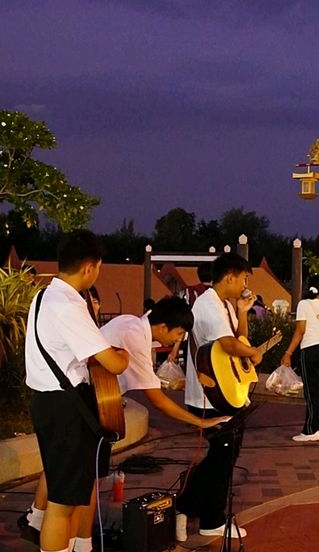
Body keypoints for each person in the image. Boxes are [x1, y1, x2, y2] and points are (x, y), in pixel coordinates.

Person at [20, 296, 229, 551]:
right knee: (82, 486)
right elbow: (158, 400)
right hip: (90, 408)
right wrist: (202, 422)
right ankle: (72, 540)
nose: (179, 340)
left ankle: (44, 522)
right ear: (163, 326)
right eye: (179, 333)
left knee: (75, 476)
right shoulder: (134, 336)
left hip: (89, 404)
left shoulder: (130, 324)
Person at [23, 230, 130, 552]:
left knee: (70, 494)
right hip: (64, 407)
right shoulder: (68, 304)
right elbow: (113, 363)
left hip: (52, 401)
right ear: (88, 267)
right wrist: (123, 355)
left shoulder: (44, 295)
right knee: (63, 501)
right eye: (98, 267)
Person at [177, 252, 262, 542]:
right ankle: (193, 509)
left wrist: (242, 311)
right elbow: (229, 345)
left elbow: (239, 339)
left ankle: (201, 512)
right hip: (210, 396)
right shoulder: (210, 305)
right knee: (222, 457)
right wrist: (253, 354)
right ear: (230, 276)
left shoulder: (223, 304)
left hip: (224, 392)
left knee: (225, 456)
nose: (245, 285)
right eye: (244, 278)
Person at [281, 274, 319, 442]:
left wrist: (288, 352)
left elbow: (300, 331)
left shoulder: (303, 304)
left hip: (310, 350)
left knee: (312, 391)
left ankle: (310, 430)